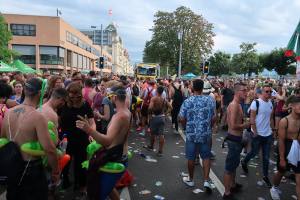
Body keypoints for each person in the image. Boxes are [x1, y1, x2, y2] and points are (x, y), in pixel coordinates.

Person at [1, 78, 59, 200]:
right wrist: (55, 171)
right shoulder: (38, 116)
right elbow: (49, 149)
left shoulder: (8, 112)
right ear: (39, 93)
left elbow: (3, 139)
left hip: (13, 168)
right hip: (31, 170)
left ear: (25, 91)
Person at [76, 86, 131, 200]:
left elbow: (107, 141)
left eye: (109, 96)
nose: (108, 98)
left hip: (115, 159)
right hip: (120, 155)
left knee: (97, 195)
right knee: (109, 188)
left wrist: (89, 130)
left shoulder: (119, 116)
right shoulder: (127, 112)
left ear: (115, 97)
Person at [58, 82, 95, 198]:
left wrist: (91, 132)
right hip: (66, 139)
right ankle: (65, 182)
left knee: (81, 165)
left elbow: (92, 122)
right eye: (71, 96)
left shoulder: (85, 105)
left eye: (76, 95)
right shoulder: (64, 104)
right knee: (65, 163)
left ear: (80, 94)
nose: (74, 98)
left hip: (81, 138)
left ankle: (82, 186)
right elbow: (58, 119)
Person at [179, 79, 216, 193]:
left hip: (192, 133)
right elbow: (214, 117)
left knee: (191, 157)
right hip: (205, 133)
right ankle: (206, 180)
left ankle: (191, 179)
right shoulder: (209, 100)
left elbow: (181, 118)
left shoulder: (188, 101)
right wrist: (209, 125)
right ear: (202, 88)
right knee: (206, 157)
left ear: (192, 88)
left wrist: (186, 126)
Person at [241, 84, 275, 187]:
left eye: (270, 91)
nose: (269, 93)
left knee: (266, 157)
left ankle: (265, 177)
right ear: (262, 92)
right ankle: (244, 161)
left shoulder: (270, 103)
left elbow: (271, 118)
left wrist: (273, 130)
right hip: (257, 134)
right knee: (254, 152)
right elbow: (252, 119)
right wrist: (255, 132)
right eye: (267, 91)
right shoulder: (256, 103)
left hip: (268, 134)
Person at [223, 83, 250, 199]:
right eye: (244, 90)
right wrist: (247, 124)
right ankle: (227, 193)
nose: (246, 92)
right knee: (229, 168)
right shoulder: (234, 105)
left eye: (246, 90)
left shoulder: (238, 104)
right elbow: (233, 125)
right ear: (237, 92)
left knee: (234, 164)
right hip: (233, 139)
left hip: (237, 139)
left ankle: (233, 185)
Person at [270, 96, 300, 200]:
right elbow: (281, 141)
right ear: (291, 106)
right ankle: (274, 188)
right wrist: (282, 158)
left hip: (298, 149)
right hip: (286, 147)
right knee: (281, 171)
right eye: (299, 104)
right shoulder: (284, 121)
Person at [144, 86, 172, 156]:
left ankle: (151, 146)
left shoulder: (154, 98)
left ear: (156, 91)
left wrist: (149, 115)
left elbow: (150, 108)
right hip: (162, 117)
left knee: (152, 133)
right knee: (161, 134)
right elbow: (171, 107)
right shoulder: (164, 99)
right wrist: (166, 113)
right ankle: (160, 151)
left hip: (154, 117)